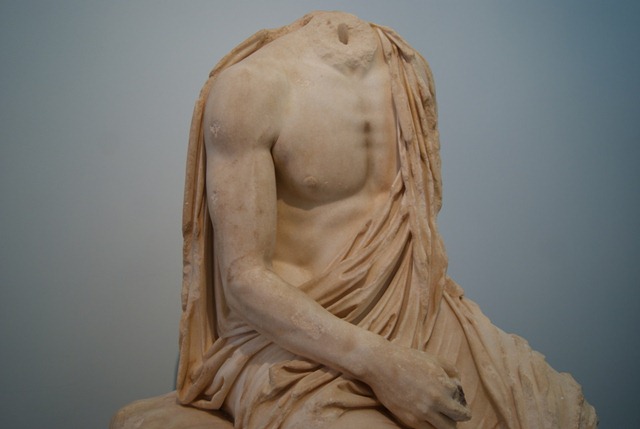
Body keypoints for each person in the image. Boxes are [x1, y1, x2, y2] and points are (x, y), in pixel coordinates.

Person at [112, 11, 597, 429]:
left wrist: (402, 353)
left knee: (560, 411)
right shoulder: (250, 88)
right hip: (294, 343)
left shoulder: (409, 71)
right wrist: (382, 364)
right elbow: (243, 278)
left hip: (417, 315)